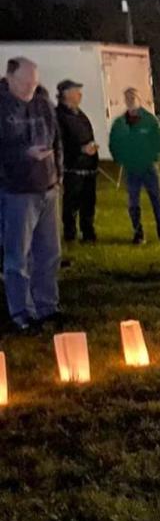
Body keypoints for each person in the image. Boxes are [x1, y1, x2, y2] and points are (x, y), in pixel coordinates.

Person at [0, 57, 63, 333]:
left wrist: (57, 176)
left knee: (49, 253)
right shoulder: (2, 108)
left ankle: (47, 305)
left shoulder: (43, 103)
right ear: (9, 77)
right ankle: (22, 312)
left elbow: (56, 140)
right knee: (18, 256)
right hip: (16, 191)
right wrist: (23, 155)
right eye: (25, 82)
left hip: (47, 189)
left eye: (34, 83)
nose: (30, 88)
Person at [109, 87, 160, 244]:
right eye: (127, 97)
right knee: (133, 202)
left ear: (139, 99)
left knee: (157, 201)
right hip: (131, 170)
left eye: (133, 97)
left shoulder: (150, 121)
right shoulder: (120, 124)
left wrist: (155, 158)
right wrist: (121, 159)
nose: (130, 100)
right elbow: (114, 143)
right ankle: (138, 233)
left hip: (149, 169)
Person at [56, 80, 99, 244]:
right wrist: (80, 150)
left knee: (88, 201)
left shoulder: (80, 114)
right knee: (72, 203)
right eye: (76, 91)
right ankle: (70, 233)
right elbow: (60, 143)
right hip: (73, 168)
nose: (80, 95)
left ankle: (88, 232)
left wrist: (92, 148)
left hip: (88, 167)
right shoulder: (59, 116)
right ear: (66, 94)